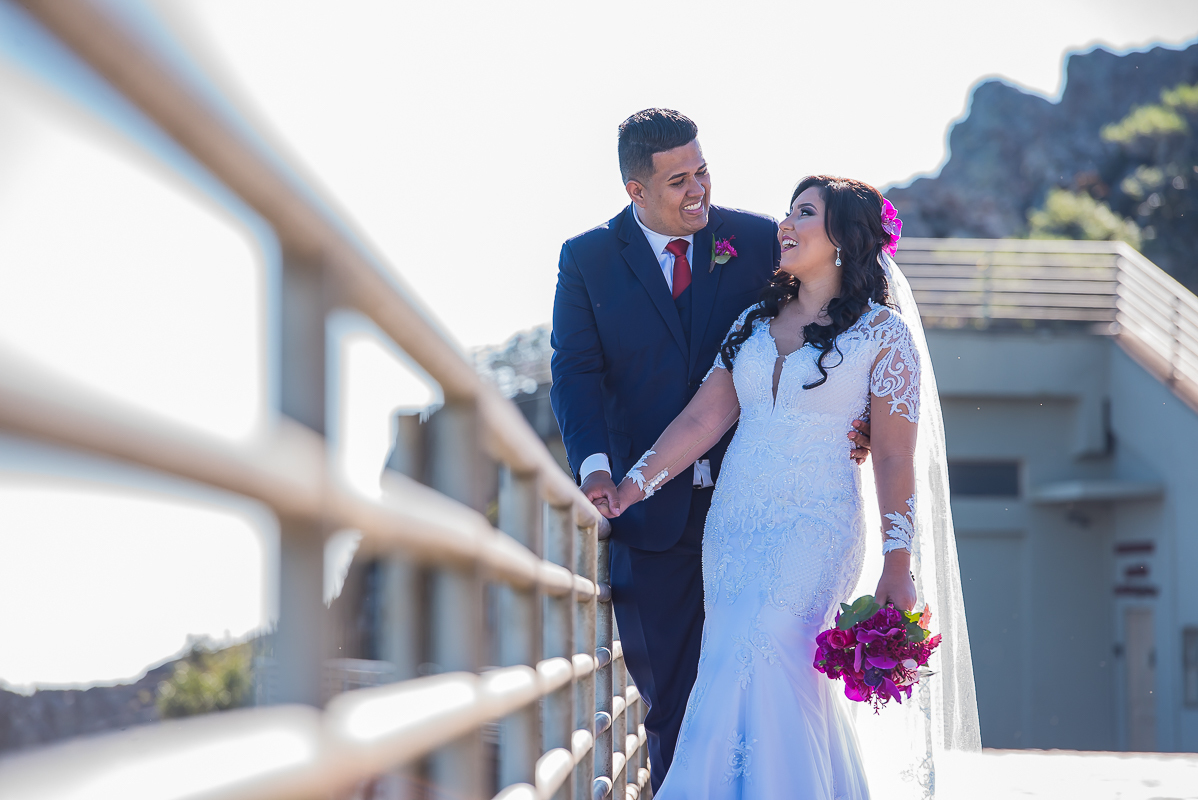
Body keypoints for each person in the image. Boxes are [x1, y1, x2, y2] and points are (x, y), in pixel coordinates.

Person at [600, 176, 980, 798]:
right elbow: (702, 421)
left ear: (843, 238)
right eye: (788, 211)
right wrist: (631, 487)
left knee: (775, 643)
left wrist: (898, 562)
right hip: (734, 525)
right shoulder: (752, 323)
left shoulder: (884, 335)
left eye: (804, 213)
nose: (785, 224)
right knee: (730, 657)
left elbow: (893, 455)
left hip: (817, 526)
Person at [550, 111, 872, 791]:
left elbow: (839, 309)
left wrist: (862, 410)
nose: (698, 190)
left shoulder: (756, 239)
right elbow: (575, 372)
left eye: (702, 172)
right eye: (678, 181)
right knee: (676, 708)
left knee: (765, 692)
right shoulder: (587, 259)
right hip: (650, 516)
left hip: (765, 511)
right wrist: (599, 471)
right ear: (636, 190)